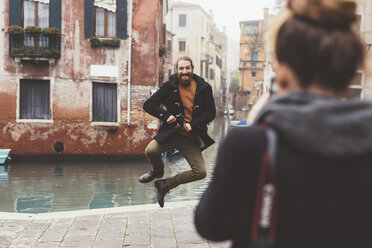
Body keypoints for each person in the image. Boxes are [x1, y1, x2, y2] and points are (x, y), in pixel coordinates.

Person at [195, 0, 372, 247]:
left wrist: (254, 125)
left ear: (283, 73)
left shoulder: (249, 143)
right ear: (347, 69)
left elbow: (211, 225)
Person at [140, 56, 216, 208]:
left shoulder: (204, 87)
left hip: (191, 138)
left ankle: (165, 184)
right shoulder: (169, 86)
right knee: (150, 151)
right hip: (172, 134)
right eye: (181, 69)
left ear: (192, 69)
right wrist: (165, 115)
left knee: (200, 172)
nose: (184, 71)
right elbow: (149, 104)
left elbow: (211, 113)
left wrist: (193, 124)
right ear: (177, 70)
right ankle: (157, 171)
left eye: (187, 68)